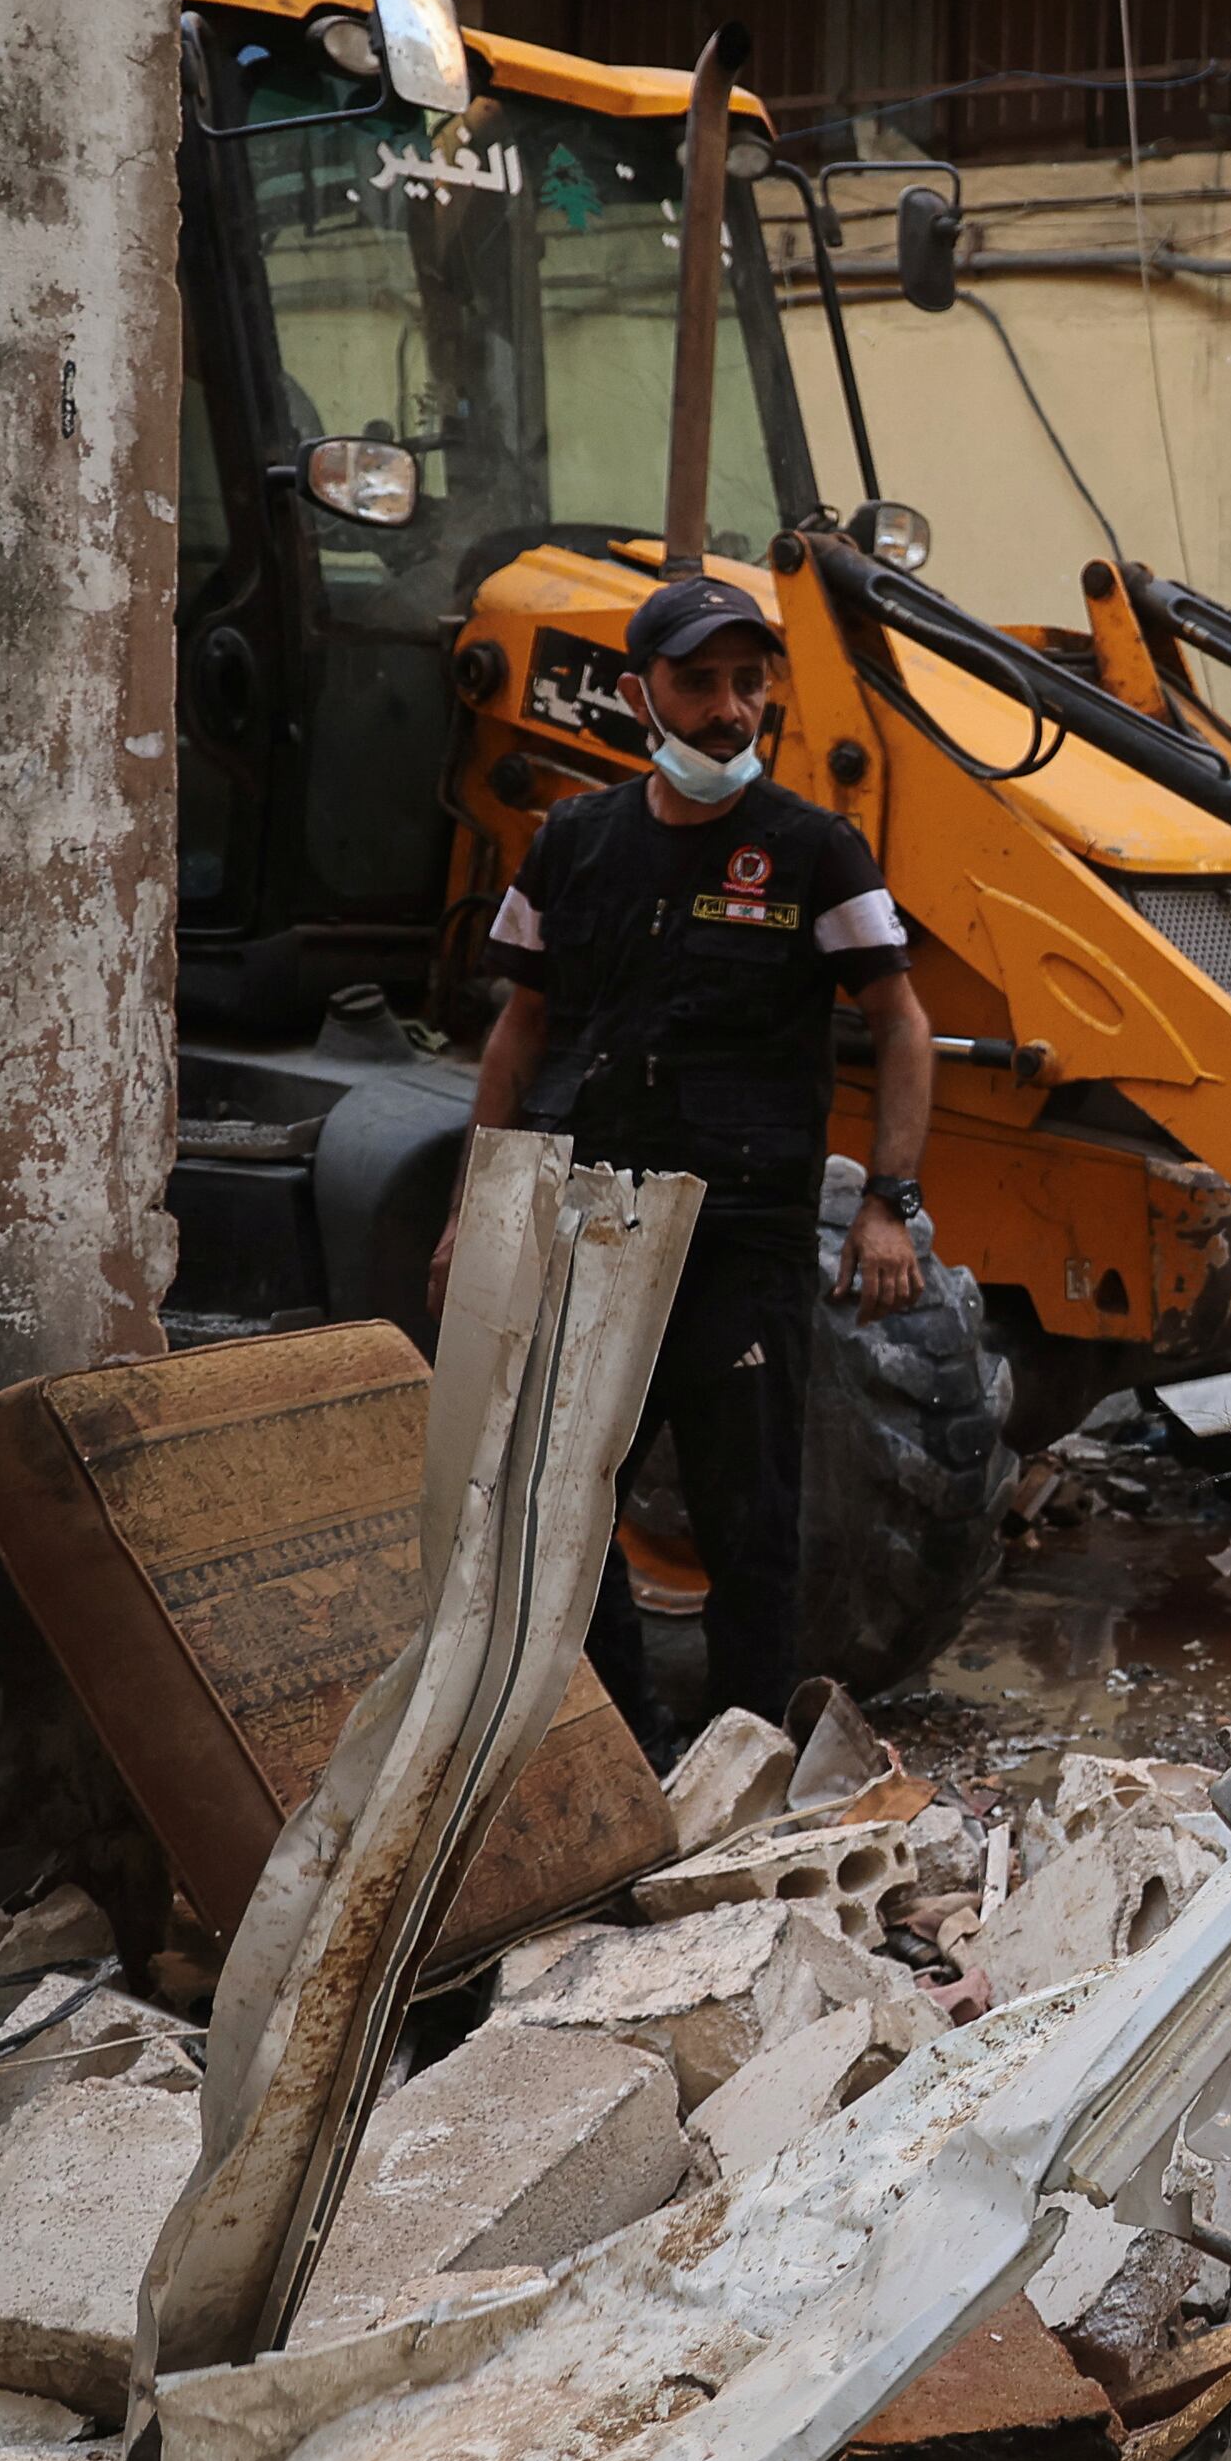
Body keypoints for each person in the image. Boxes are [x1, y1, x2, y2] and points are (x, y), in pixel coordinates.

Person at [447, 571, 938, 1751]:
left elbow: (901, 1026)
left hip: (743, 1235)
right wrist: (482, 1209)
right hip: (598, 1221)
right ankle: (630, 1746)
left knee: (747, 1520)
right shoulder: (574, 842)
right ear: (638, 694)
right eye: (699, 681)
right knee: (563, 1497)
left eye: (748, 682)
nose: (729, 709)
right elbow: (522, 1025)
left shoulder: (815, 852)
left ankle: (741, 1762)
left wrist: (888, 1203)